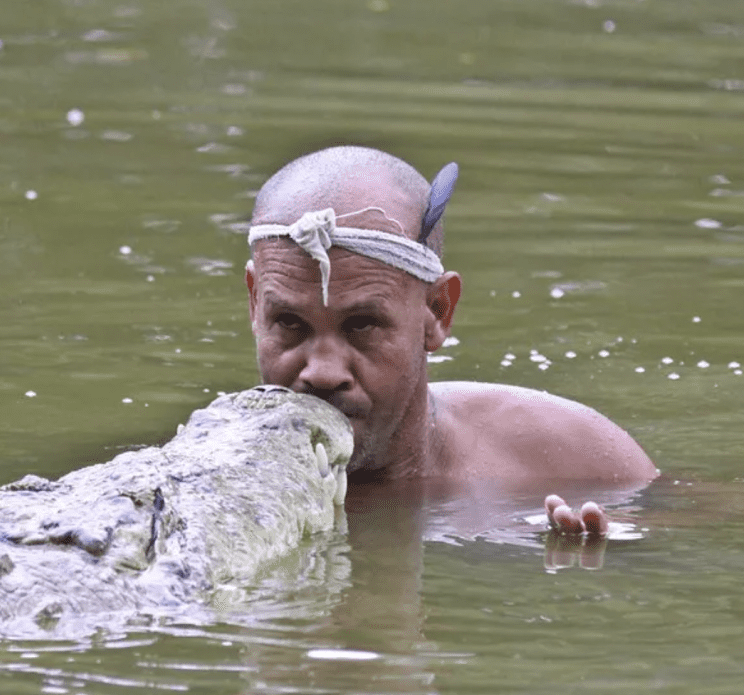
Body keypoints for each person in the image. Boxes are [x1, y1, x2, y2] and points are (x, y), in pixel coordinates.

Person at [244, 145, 657, 536]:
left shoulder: (577, 458)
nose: (322, 373)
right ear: (254, 304)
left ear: (437, 312)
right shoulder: (214, 479)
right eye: (290, 323)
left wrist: (601, 555)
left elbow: (696, 522)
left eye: (362, 325)